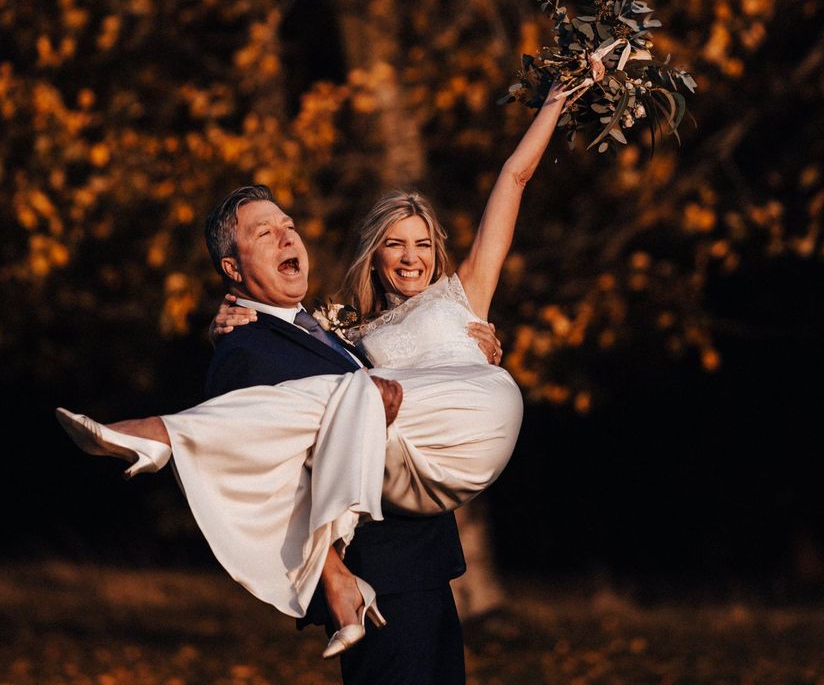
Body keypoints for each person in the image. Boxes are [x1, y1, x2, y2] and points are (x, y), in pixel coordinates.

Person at [56, 82, 572, 677]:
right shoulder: (352, 341)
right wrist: (333, 575)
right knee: (360, 395)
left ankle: (167, 434)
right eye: (395, 245)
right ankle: (169, 434)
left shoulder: (441, 303)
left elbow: (512, 179)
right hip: (401, 523)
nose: (411, 257)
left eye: (423, 244)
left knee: (362, 394)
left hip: (467, 439)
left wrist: (557, 99)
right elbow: (288, 457)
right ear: (374, 256)